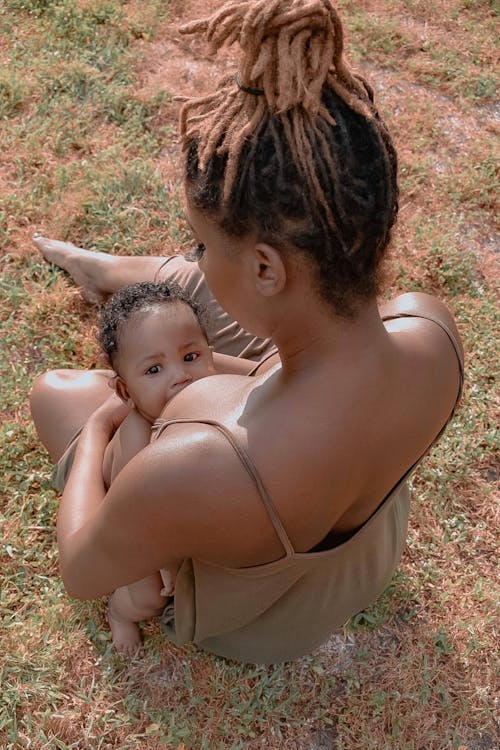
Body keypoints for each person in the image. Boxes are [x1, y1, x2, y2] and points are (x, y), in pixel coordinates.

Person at [30, 0, 464, 665]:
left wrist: (95, 436)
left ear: (265, 267)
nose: (199, 259)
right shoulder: (428, 327)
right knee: (198, 310)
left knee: (60, 391)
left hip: (262, 622)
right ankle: (108, 270)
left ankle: (113, 284)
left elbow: (81, 570)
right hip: (360, 558)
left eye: (202, 246)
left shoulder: (199, 454)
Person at [55, 280, 218, 655]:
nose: (180, 376)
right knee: (146, 597)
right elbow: (145, 520)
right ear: (126, 393)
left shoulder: (214, 402)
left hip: (175, 515)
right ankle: (119, 613)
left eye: (191, 357)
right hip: (128, 522)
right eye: (154, 369)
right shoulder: (139, 438)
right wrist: (168, 565)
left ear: (211, 355)